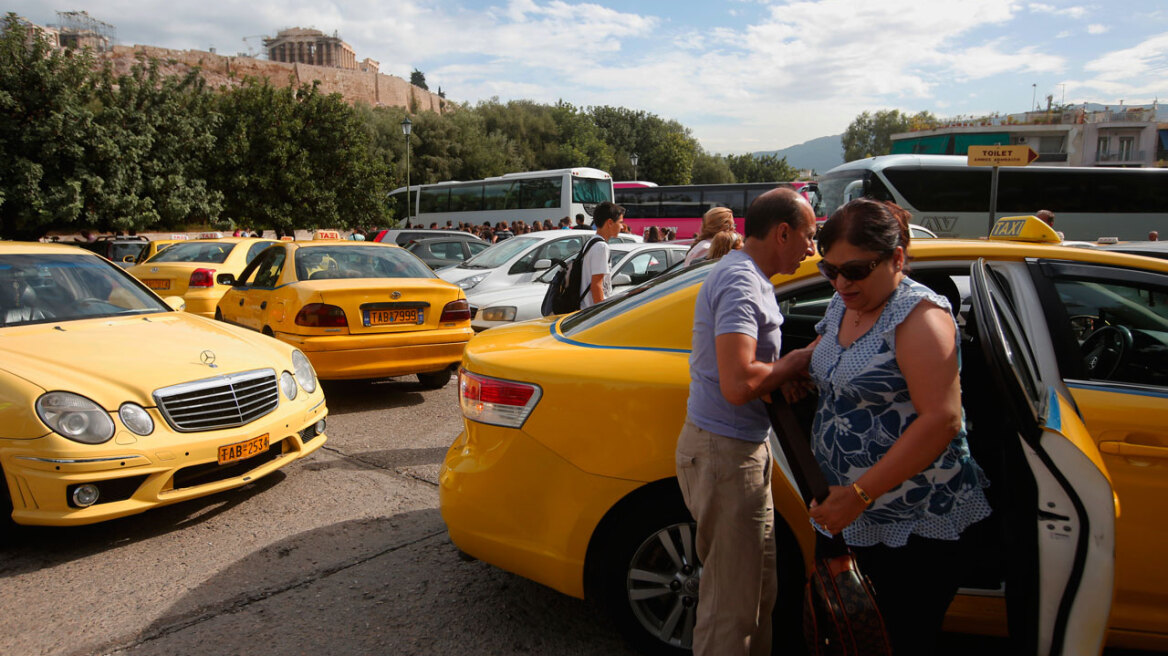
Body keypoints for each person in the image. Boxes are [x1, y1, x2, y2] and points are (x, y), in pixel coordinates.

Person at [807, 198, 991, 656]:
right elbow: (828, 351)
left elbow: (941, 420)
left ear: (897, 258)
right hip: (848, 510)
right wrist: (799, 373)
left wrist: (860, 494)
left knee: (900, 638)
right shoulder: (844, 303)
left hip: (910, 525)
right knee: (853, 634)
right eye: (830, 271)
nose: (842, 283)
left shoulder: (919, 318)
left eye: (856, 270)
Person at [675, 188, 819, 656]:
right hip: (726, 454)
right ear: (782, 232)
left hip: (738, 450)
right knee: (731, 610)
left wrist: (773, 379)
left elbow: (744, 373)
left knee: (756, 594)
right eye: (808, 236)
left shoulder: (750, 276)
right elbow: (738, 383)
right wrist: (795, 362)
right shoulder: (740, 280)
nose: (811, 248)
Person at [579, 202, 623, 309]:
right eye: (620, 222)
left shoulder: (592, 242)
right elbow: (597, 286)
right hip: (592, 313)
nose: (622, 226)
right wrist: (602, 314)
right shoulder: (601, 247)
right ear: (610, 223)